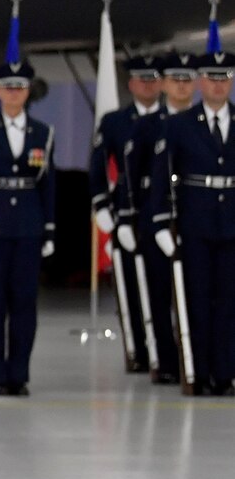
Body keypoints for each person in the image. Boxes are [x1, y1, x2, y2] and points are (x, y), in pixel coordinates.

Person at [149, 50, 235, 396]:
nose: (218, 85)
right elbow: (161, 177)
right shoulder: (179, 125)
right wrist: (160, 224)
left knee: (229, 302)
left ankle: (225, 373)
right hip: (194, 223)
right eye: (212, 78)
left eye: (224, 77)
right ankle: (197, 371)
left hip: (231, 222)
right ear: (201, 82)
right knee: (196, 300)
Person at [0, 57, 54, 396]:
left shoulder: (43, 133)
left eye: (19, 87)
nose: (13, 93)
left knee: (24, 302)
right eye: (7, 87)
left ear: (29, 91)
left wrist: (49, 228)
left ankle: (19, 373)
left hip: (29, 225)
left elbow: (48, 184)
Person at [90, 55, 163, 374]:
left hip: (163, 212)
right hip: (126, 215)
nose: (147, 84)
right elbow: (98, 167)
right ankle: (137, 351)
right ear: (131, 84)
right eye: (141, 79)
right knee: (130, 289)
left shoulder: (172, 120)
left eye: (153, 78)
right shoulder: (114, 122)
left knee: (164, 290)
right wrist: (102, 207)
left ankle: (167, 352)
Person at [131, 51, 199, 384]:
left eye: (188, 79)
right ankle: (167, 362)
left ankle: (196, 359)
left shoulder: (201, 122)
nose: (182, 86)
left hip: (196, 218)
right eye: (175, 79)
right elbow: (136, 177)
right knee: (160, 295)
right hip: (156, 221)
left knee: (199, 294)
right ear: (164, 83)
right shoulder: (148, 126)